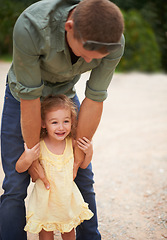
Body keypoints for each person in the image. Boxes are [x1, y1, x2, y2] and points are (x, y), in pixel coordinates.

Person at [0, 0, 125, 239]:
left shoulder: (113, 41)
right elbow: (30, 99)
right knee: (16, 185)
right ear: (69, 26)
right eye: (86, 53)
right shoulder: (30, 27)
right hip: (23, 97)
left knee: (82, 176)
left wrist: (78, 157)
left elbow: (95, 98)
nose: (88, 62)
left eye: (96, 57)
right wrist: (33, 157)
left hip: (64, 98)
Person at [15, 94, 94, 240]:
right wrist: (28, 157)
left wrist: (89, 152)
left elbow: (83, 165)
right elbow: (19, 168)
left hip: (66, 200)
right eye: (54, 122)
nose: (61, 127)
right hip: (44, 203)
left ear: (72, 122)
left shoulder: (72, 143)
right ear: (44, 123)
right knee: (45, 235)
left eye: (66, 121)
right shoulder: (39, 145)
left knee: (69, 233)